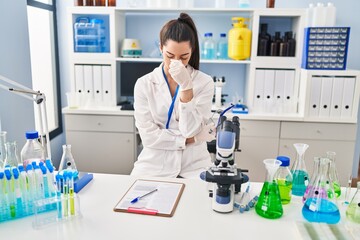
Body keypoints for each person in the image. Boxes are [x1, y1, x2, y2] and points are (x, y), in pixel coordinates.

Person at [130, 13, 215, 179]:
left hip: (194, 167)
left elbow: (189, 129)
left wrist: (186, 87)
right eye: (170, 56)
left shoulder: (204, 82)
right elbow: (148, 137)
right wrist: (189, 140)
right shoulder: (144, 84)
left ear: (192, 52)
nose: (176, 62)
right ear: (161, 47)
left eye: (184, 57)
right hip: (153, 166)